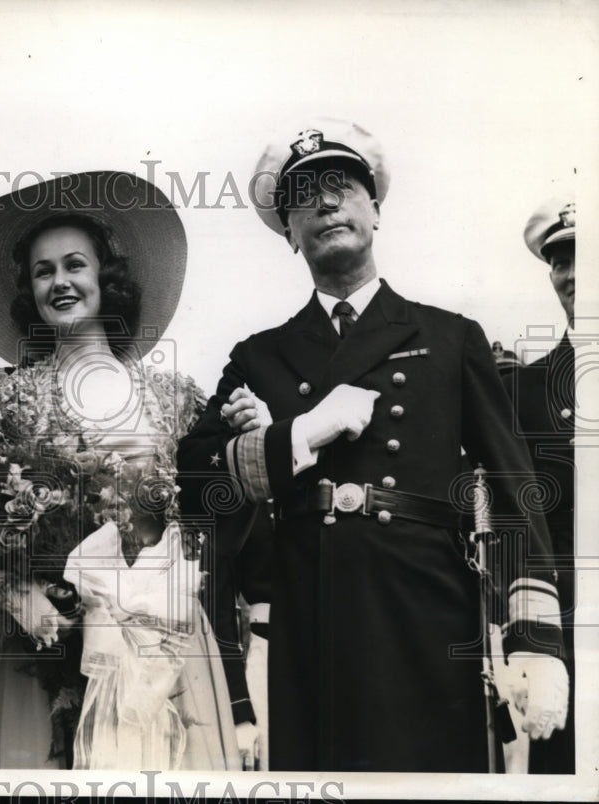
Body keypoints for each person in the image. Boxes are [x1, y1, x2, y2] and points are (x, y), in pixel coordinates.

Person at [177, 118, 569, 772]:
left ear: (376, 210)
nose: (327, 202)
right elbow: (194, 485)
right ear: (288, 231)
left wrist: (535, 638)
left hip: (427, 613)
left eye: (343, 186)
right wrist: (298, 434)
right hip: (311, 622)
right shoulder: (260, 357)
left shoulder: (450, 337)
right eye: (305, 196)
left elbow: (513, 485)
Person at [0, 170, 240, 770]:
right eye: (43, 271)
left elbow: (212, 520)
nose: (60, 281)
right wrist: (18, 591)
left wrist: (250, 430)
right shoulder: (1, 401)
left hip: (163, 638)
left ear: (106, 280)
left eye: (74, 265)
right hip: (44, 641)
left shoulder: (175, 396)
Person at [499, 193, 577, 773]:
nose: (571, 274)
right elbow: (518, 524)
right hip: (573, 640)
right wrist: (536, 647)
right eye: (559, 261)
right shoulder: (524, 393)